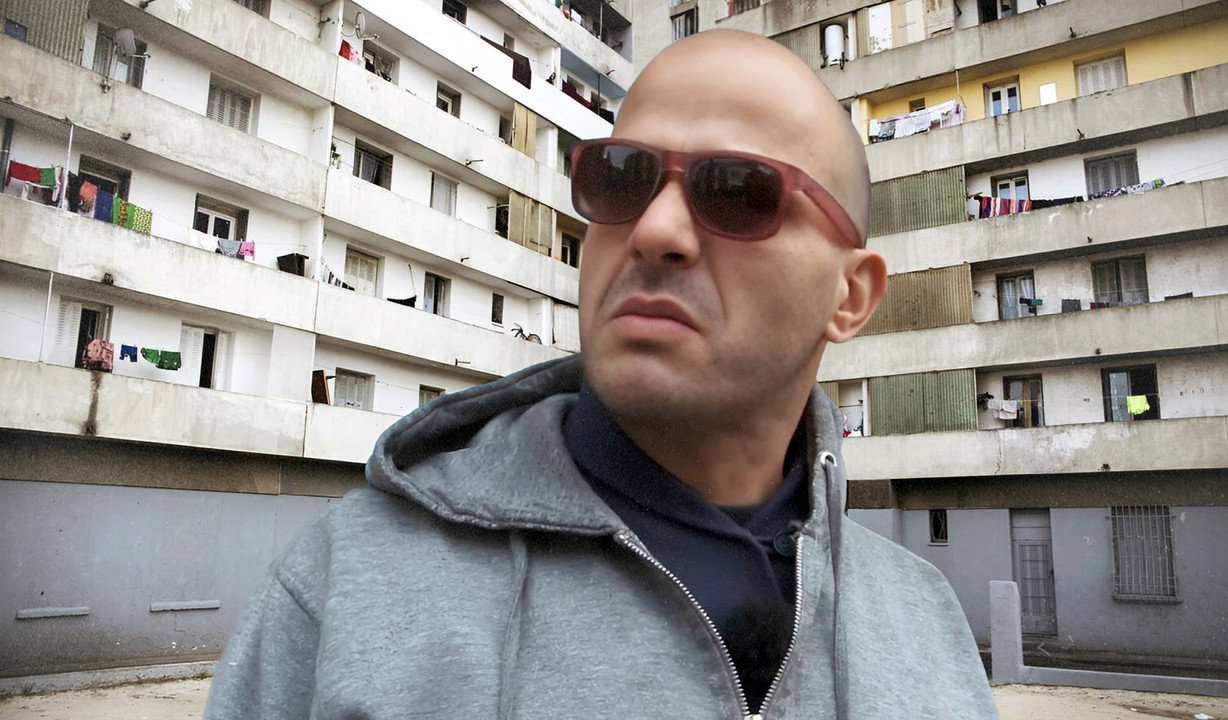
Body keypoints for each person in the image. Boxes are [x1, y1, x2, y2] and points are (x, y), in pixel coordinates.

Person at [205, 30, 997, 719]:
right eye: (622, 177)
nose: (655, 229)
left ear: (850, 296)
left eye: (738, 190)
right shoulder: (351, 585)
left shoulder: (921, 621)